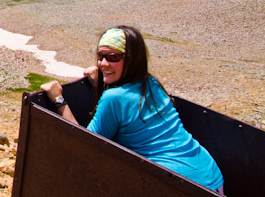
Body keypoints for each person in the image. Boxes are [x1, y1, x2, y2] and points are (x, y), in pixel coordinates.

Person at [41, 25, 224, 193]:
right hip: (212, 179)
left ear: (131, 59)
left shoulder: (114, 98)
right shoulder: (150, 83)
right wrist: (103, 81)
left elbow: (85, 145)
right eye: (100, 56)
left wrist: (58, 99)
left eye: (113, 57)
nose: (103, 64)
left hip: (177, 187)